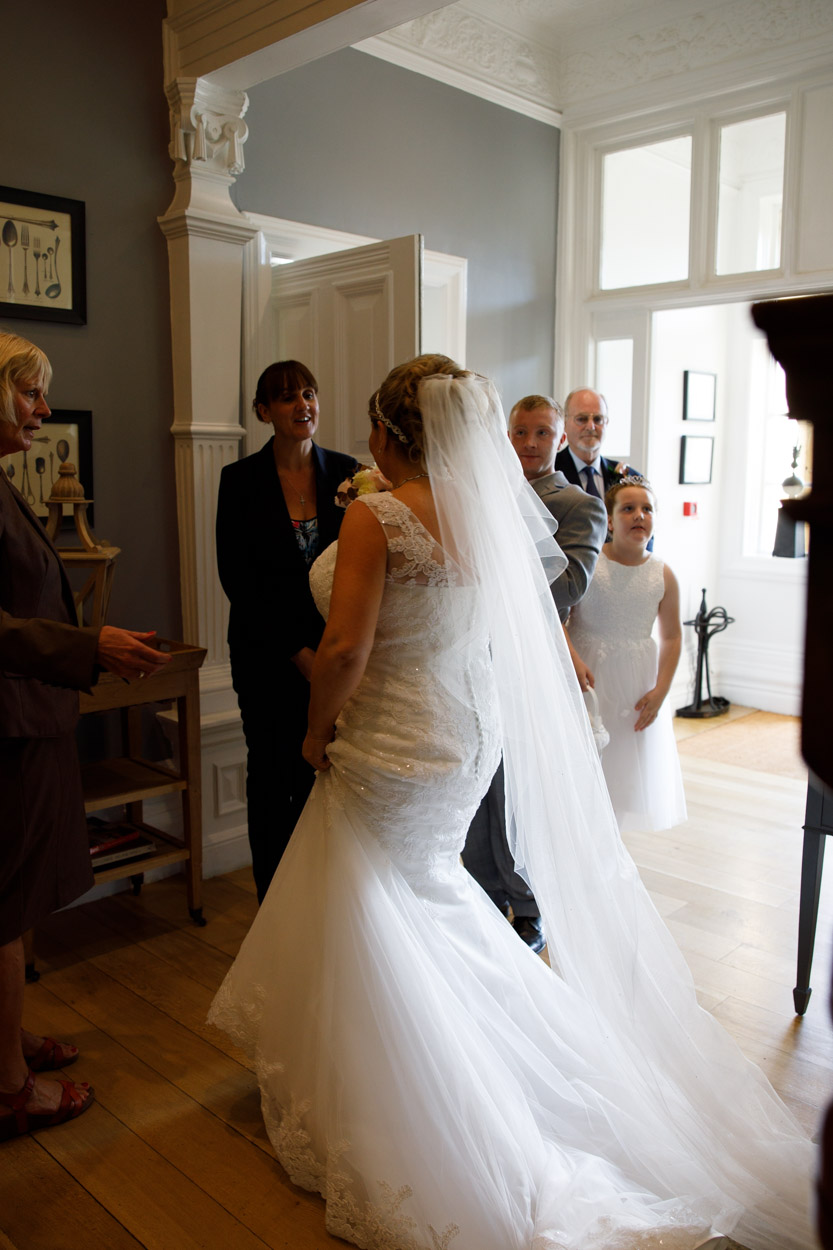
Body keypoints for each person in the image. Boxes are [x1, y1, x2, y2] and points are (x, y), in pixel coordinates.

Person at [209, 354, 813, 1250]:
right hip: (462, 732)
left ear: (387, 431)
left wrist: (310, 735)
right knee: (426, 894)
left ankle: (436, 1088)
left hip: (390, 734)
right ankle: (448, 1054)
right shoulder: (488, 514)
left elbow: (342, 653)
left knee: (386, 904)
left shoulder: (378, 514)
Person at [0, 331, 170, 1142]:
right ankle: (9, 1086)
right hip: (7, 726)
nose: (44, 409)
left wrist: (90, 637)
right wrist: (88, 645)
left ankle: (8, 1037)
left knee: (19, 891)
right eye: (31, 393)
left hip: (28, 716)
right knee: (3, 905)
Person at [462, 395, 607, 951]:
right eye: (519, 432)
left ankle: (528, 906)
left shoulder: (576, 505)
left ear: (561, 440)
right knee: (477, 778)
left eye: (541, 433)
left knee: (515, 787)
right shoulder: (482, 497)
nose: (527, 443)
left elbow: (569, 585)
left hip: (529, 667)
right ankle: (480, 894)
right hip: (472, 655)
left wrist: (499, 563)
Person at [215, 361, 357, 901]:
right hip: (266, 658)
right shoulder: (239, 481)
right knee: (274, 779)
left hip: (337, 651)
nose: (303, 405)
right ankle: (273, 904)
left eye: (309, 393)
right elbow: (239, 581)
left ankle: (325, 903)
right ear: (263, 412)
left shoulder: (348, 475)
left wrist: (332, 651)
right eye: (286, 397)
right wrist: (297, 651)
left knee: (330, 777)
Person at [568, 478, 687, 833]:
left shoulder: (663, 574)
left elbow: (672, 636)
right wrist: (573, 658)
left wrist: (662, 690)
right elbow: (558, 614)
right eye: (628, 509)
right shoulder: (590, 562)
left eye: (647, 509)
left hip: (635, 684)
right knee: (582, 762)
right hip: (587, 675)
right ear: (609, 518)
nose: (639, 516)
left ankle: (609, 844)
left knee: (621, 771)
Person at [554, 387, 638, 499]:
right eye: (582, 419)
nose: (590, 426)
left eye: (598, 419)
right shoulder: (551, 472)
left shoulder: (628, 477)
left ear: (606, 423)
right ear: (565, 423)